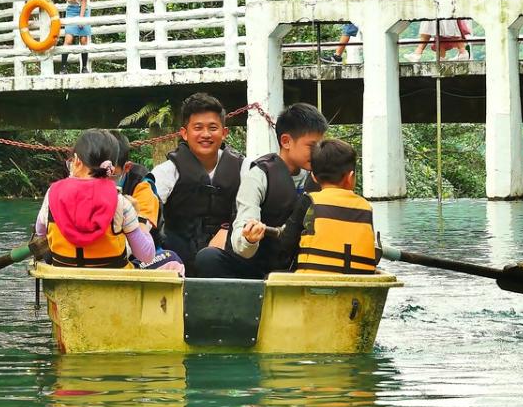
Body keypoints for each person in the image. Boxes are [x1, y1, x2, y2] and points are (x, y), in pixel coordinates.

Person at [195, 103, 328, 279]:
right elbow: (241, 240)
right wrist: (249, 239)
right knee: (208, 258)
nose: (318, 153)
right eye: (312, 146)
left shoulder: (321, 178)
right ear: (286, 141)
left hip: (296, 270)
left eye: (321, 146)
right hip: (254, 268)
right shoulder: (258, 175)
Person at [34, 129, 154, 269]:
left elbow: (41, 231)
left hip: (65, 280)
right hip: (113, 285)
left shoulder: (51, 194)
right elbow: (146, 255)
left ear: (77, 160)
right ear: (111, 167)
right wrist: (141, 220)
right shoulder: (121, 203)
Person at [151, 93, 243, 273]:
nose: (206, 134)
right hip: (176, 264)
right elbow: (147, 213)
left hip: (224, 262)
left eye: (213, 127)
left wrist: (228, 229)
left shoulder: (245, 169)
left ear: (224, 133)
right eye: (198, 128)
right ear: (184, 133)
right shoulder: (166, 172)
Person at [296, 139, 380, 275]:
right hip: (359, 286)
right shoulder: (366, 207)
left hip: (312, 286)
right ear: (350, 177)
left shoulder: (309, 201)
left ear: (314, 177)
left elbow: (286, 245)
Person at [112, 132, 186, 274]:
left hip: (131, 256)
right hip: (109, 260)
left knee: (169, 258)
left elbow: (142, 236)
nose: (101, 180)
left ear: (126, 168)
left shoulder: (142, 185)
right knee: (173, 260)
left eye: (111, 174)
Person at [60, 0, 91, 73]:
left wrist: (81, 19)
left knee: (83, 39)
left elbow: (84, 0)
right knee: (68, 39)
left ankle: (84, 67)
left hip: (83, 10)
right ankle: (63, 67)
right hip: (71, 10)